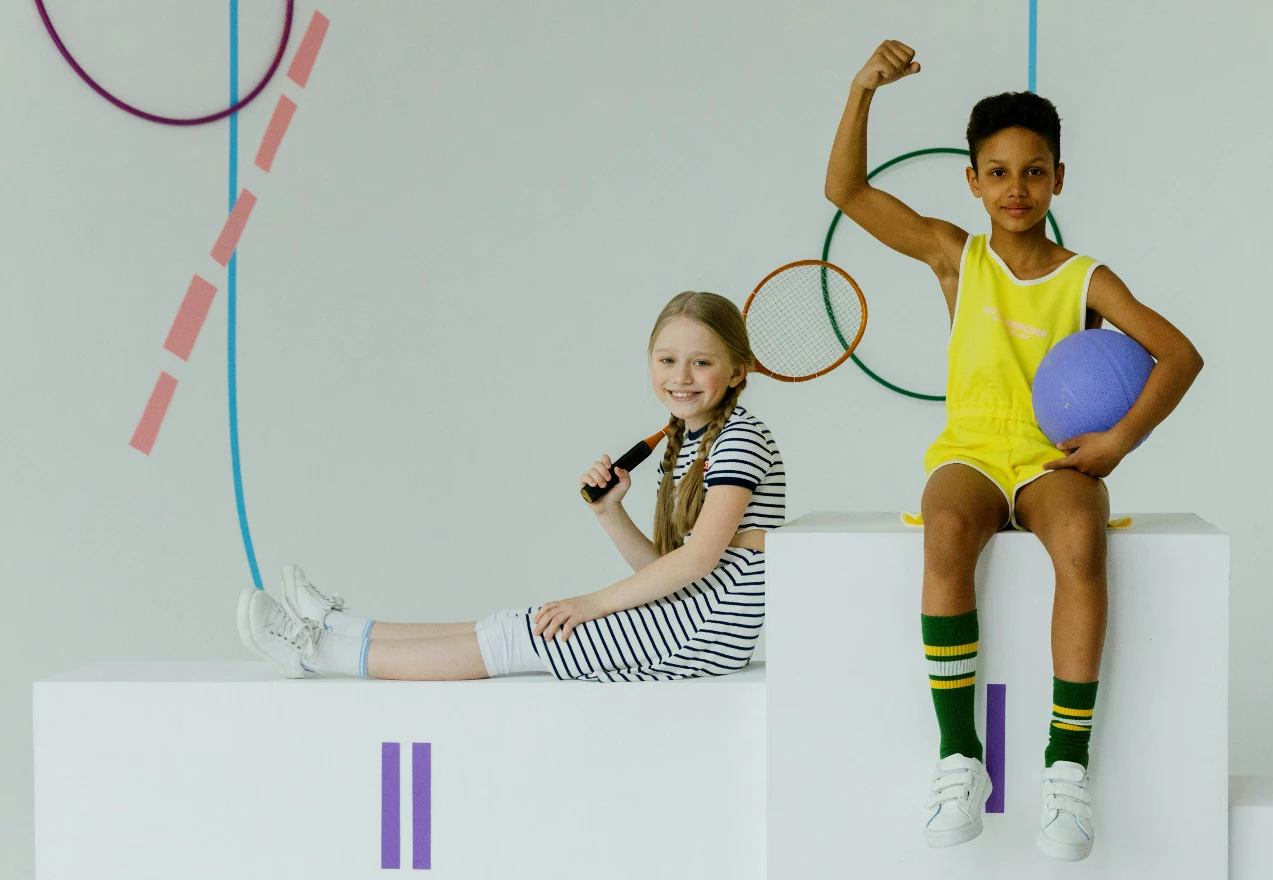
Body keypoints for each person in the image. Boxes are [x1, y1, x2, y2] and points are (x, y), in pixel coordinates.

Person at [824, 41, 1204, 861]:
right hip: (970, 448)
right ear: (971, 181)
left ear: (1060, 178)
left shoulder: (1086, 278)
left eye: (1034, 172)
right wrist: (863, 89)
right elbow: (845, 191)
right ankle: (960, 756)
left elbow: (1181, 355)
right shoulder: (954, 256)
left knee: (1077, 539)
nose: (1016, 188)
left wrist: (1119, 441)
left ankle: (1067, 767)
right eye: (996, 172)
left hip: (1050, 460)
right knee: (947, 533)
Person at [236, 291, 784, 683]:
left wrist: (590, 604)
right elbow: (663, 569)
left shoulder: (738, 440)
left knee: (513, 639)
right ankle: (335, 627)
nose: (680, 377)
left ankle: (312, 655)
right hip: (697, 616)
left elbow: (696, 563)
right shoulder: (693, 441)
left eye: (701, 362)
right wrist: (610, 514)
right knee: (507, 626)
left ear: (737, 372)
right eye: (667, 360)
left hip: (707, 629)